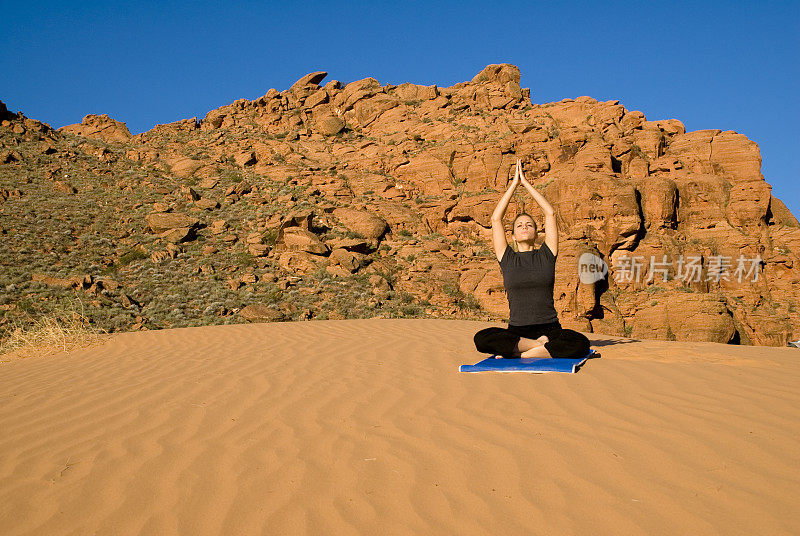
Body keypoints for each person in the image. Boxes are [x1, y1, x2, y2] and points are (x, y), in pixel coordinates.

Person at [473, 159, 591, 359]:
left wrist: (526, 184)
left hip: (550, 329)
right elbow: (496, 219)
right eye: (519, 226)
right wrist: (513, 185)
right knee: (481, 338)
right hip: (518, 332)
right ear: (513, 236)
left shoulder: (547, 254)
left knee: (581, 343)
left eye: (529, 224)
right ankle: (538, 347)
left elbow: (550, 213)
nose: (525, 227)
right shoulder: (507, 257)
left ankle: (520, 354)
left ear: (537, 233)